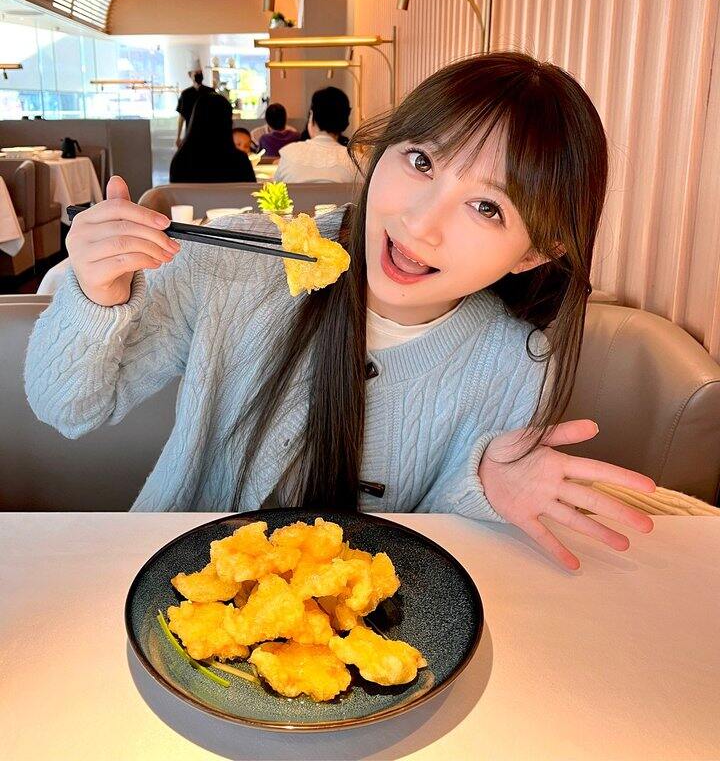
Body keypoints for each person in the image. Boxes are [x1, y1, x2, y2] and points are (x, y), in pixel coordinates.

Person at [25, 52, 656, 571]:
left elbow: (437, 566)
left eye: (487, 207)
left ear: (536, 253)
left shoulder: (515, 365)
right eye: (421, 162)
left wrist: (484, 485)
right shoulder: (237, 264)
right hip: (175, 591)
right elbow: (68, 409)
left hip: (349, 651)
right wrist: (97, 292)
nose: (420, 223)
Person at [169, 91, 255, 183]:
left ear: (195, 121)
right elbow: (252, 190)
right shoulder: (240, 162)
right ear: (227, 123)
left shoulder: (180, 162)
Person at [274, 87, 356, 183]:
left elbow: (276, 189)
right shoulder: (358, 162)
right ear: (345, 120)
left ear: (312, 115)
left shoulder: (288, 155)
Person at [175, 70, 213, 147]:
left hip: (208, 134)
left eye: (200, 72)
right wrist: (178, 136)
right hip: (190, 135)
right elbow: (182, 117)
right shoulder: (186, 94)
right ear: (190, 75)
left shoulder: (210, 92)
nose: (199, 74)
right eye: (196, 73)